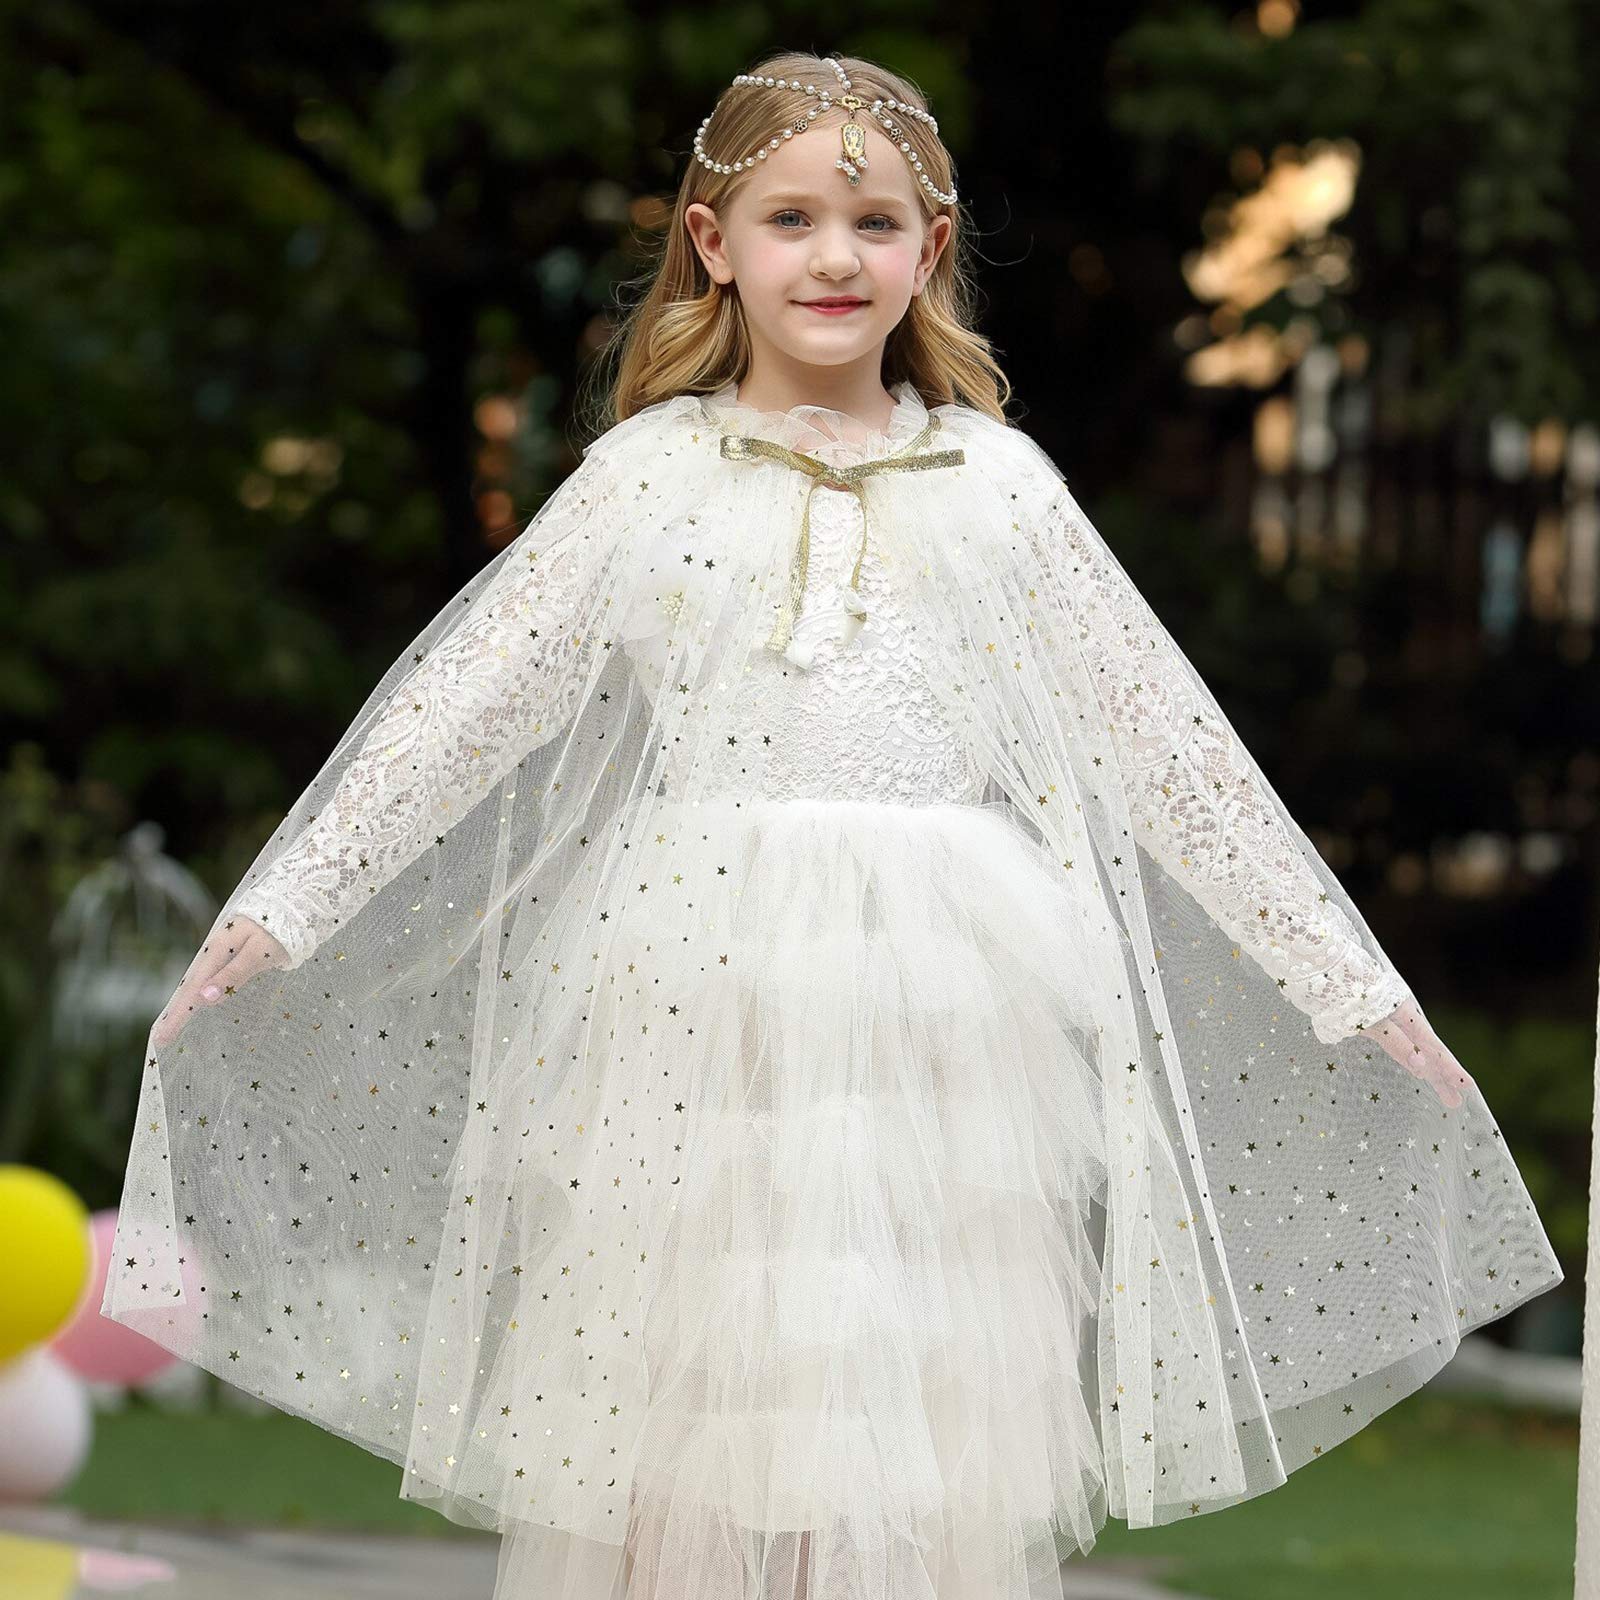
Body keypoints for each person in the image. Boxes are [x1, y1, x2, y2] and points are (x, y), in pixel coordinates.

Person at [102, 49, 1564, 1600]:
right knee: (685, 1397)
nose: (831, 257)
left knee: (921, 1398)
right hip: (691, 998)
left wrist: (1351, 984)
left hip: (949, 1003)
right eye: (790, 218)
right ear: (712, 243)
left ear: (928, 254)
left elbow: (1170, 750)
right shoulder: (643, 482)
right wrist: (287, 906)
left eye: (873, 224)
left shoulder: (999, 489)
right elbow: (460, 708)